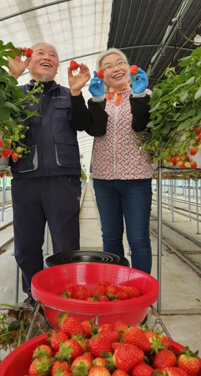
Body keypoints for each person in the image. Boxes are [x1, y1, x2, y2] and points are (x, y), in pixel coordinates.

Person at [8, 43, 90, 306]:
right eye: (40, 54)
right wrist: (10, 77)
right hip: (25, 179)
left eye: (53, 55)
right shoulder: (16, 95)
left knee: (66, 246)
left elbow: (82, 124)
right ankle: (33, 298)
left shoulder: (69, 95)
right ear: (29, 63)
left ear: (57, 65)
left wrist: (77, 94)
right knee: (26, 247)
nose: (47, 57)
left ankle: (64, 298)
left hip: (62, 180)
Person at [68, 48, 154, 274]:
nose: (115, 68)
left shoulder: (146, 96)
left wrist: (139, 97)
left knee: (138, 239)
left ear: (129, 67)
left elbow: (141, 126)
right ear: (102, 75)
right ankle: (115, 289)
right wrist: (95, 100)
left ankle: (141, 296)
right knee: (111, 238)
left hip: (137, 178)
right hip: (104, 180)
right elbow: (95, 129)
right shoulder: (99, 100)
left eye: (120, 63)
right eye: (108, 66)